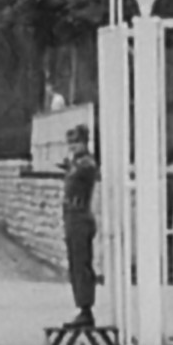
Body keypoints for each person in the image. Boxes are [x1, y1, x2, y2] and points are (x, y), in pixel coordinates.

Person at [61, 122, 99, 327]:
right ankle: (82, 306)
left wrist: (72, 166)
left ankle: (86, 308)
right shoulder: (77, 163)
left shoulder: (85, 164)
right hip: (72, 216)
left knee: (81, 263)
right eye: (71, 143)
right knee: (75, 264)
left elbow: (83, 172)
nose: (73, 147)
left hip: (80, 215)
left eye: (77, 142)